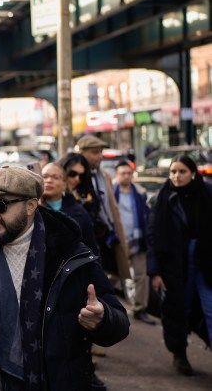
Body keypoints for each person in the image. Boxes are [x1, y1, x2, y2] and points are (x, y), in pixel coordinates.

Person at [0, 165, 129, 390]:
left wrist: (102, 319)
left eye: (1, 205)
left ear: (31, 205)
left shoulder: (70, 255)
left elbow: (118, 325)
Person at [147, 155, 212, 376]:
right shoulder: (163, 198)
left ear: (193, 173)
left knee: (209, 308)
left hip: (206, 261)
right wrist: (154, 272)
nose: (176, 176)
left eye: (182, 171)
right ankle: (179, 354)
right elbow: (153, 236)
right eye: (173, 171)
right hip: (174, 263)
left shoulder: (207, 193)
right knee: (178, 309)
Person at [76, 135, 130, 283]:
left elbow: (111, 208)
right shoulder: (75, 177)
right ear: (81, 153)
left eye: (101, 152)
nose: (100, 156)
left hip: (106, 236)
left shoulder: (104, 176)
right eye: (95, 152)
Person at [113, 159, 155, 326]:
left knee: (141, 276)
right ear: (117, 175)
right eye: (123, 173)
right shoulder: (111, 193)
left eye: (129, 173)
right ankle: (111, 311)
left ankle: (140, 309)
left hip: (138, 240)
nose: (127, 176)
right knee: (112, 276)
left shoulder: (139, 193)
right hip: (117, 241)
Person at [40, 162, 98, 254]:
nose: (49, 180)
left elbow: (91, 248)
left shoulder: (79, 212)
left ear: (64, 184)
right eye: (45, 176)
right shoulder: (32, 210)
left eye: (55, 177)